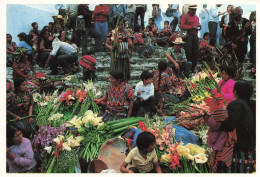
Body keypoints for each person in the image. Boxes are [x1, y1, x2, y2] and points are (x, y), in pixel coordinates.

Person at [209, 80, 256, 173]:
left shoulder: (236, 104)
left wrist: (214, 118)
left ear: (235, 92)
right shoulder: (253, 104)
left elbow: (228, 125)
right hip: (250, 143)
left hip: (238, 146)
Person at [226, 6, 252, 79]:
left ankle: (239, 74)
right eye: (237, 16)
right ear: (234, 16)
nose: (239, 17)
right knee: (233, 59)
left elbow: (250, 33)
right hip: (233, 44)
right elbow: (227, 35)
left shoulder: (246, 21)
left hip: (243, 45)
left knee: (241, 59)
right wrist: (231, 43)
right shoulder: (231, 23)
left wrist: (248, 28)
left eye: (240, 15)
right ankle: (233, 74)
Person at [180, 4, 200, 72]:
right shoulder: (185, 16)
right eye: (193, 10)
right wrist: (192, 27)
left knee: (195, 53)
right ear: (189, 9)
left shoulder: (197, 17)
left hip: (195, 36)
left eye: (195, 10)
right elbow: (182, 26)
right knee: (188, 52)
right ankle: (188, 68)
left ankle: (193, 68)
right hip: (188, 36)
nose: (194, 11)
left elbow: (197, 24)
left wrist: (199, 27)